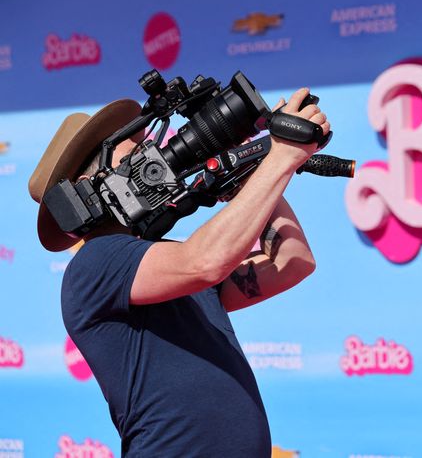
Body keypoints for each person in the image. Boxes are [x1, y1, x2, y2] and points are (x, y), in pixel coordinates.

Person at [28, 88, 330, 457]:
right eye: (134, 149)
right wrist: (280, 156)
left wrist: (253, 170)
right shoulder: (95, 264)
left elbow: (293, 263)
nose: (153, 153)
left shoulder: (165, 263)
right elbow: (206, 262)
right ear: (88, 186)